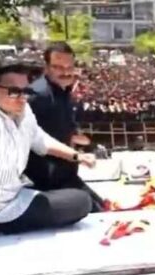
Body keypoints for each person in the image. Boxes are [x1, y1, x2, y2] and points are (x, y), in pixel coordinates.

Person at [0, 58, 94, 259]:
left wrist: (76, 156)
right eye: (14, 92)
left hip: (16, 193)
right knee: (81, 202)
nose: (21, 98)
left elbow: (39, 139)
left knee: (75, 191)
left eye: (25, 91)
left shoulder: (22, 109)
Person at [25, 42, 103, 212]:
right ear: (47, 68)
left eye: (69, 67)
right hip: (47, 179)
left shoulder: (62, 91)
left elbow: (58, 127)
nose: (66, 72)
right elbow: (36, 138)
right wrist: (77, 155)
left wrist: (76, 139)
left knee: (104, 209)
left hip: (65, 173)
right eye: (58, 67)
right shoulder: (38, 95)